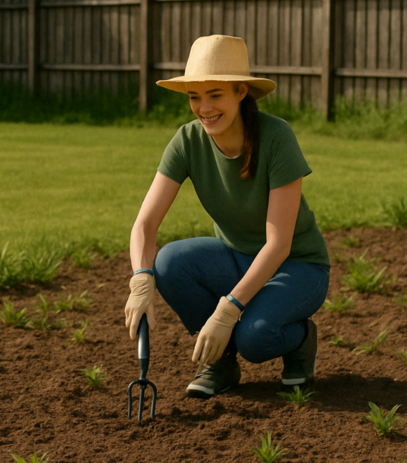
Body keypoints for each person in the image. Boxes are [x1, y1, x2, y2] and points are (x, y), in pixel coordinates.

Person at [123, 35, 330, 399]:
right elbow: (145, 224)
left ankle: (300, 340)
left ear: (240, 92)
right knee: (169, 262)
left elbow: (279, 244)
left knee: (255, 337)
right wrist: (141, 278)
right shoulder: (188, 141)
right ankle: (221, 363)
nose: (204, 108)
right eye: (194, 97)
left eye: (215, 94)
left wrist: (227, 309)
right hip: (237, 258)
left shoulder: (276, 136)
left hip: (297, 266)